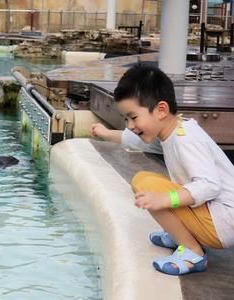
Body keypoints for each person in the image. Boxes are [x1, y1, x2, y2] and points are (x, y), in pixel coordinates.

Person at [90, 64, 234, 276]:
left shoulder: (186, 140)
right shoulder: (173, 131)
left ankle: (192, 251)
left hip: (223, 224)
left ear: (161, 110)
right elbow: (137, 140)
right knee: (148, 180)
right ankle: (182, 234)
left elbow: (209, 185)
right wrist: (106, 133)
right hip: (216, 216)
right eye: (126, 119)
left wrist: (167, 200)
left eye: (134, 117)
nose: (130, 125)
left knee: (146, 184)